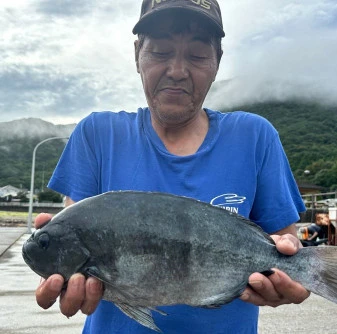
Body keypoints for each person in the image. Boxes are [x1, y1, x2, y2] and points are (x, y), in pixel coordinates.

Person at [34, 0, 310, 333]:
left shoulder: (255, 136)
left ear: (217, 62)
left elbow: (288, 249)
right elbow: (80, 238)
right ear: (137, 54)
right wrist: (69, 283)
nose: (178, 70)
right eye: (161, 51)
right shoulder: (97, 135)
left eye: (196, 56)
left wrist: (299, 277)